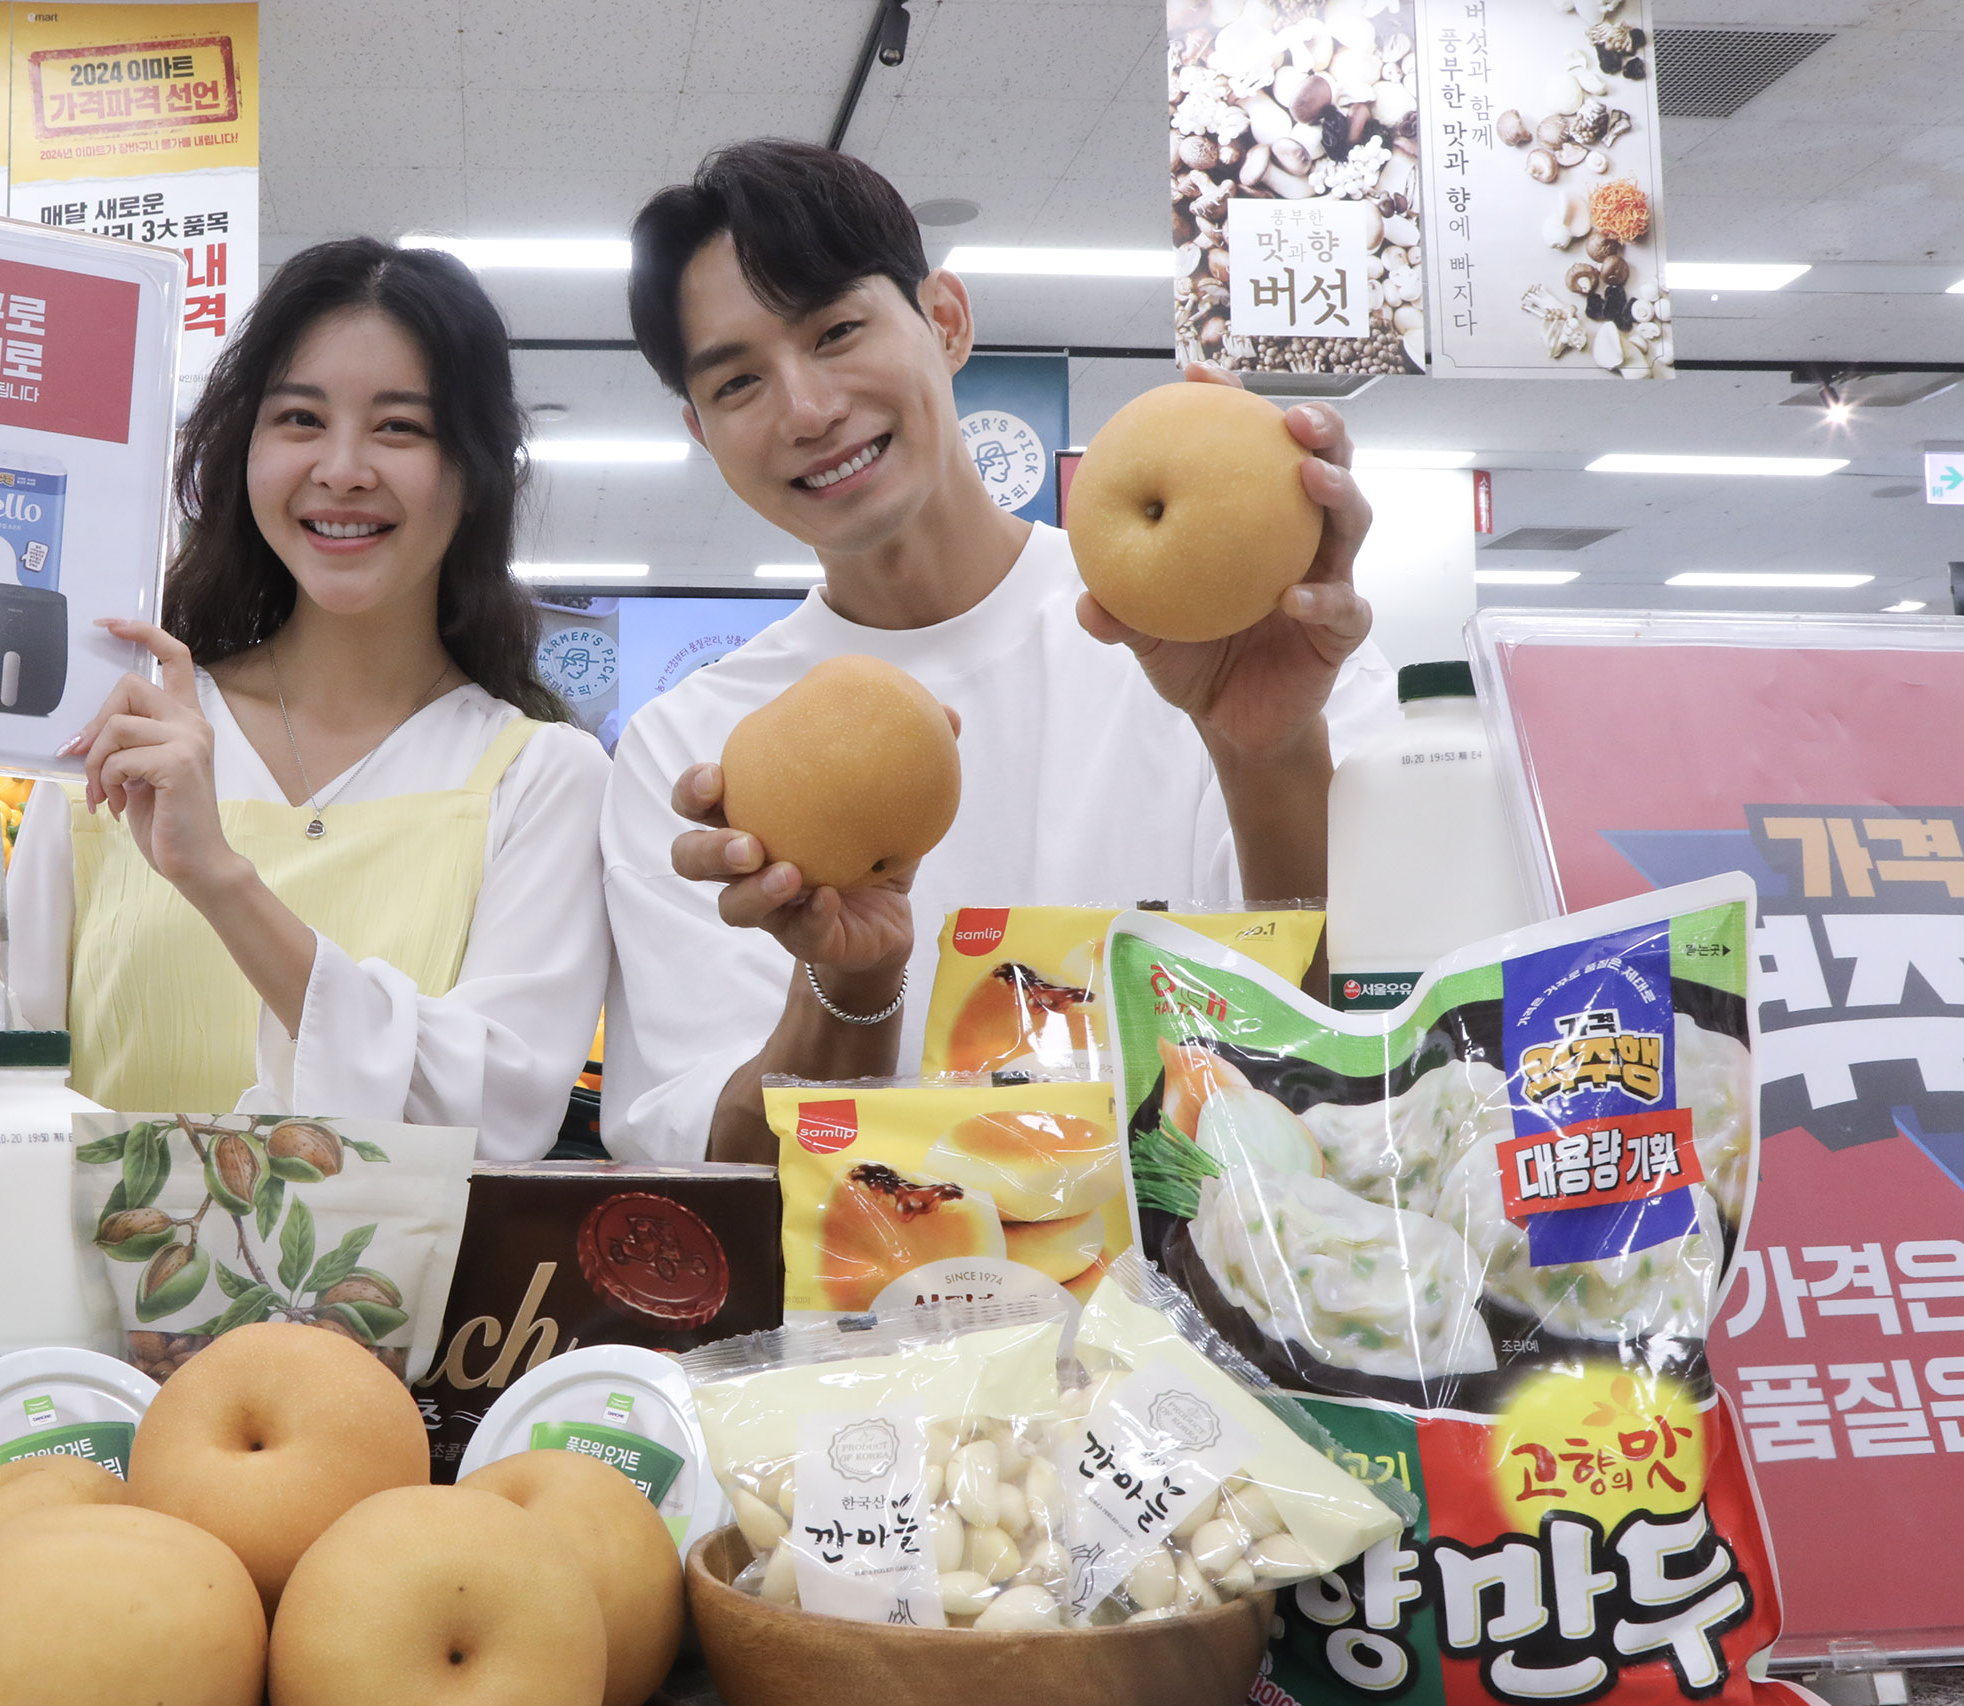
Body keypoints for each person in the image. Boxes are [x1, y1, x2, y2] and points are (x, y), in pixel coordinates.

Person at [599, 140, 1399, 1164]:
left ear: (945, 320)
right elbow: (711, 1167)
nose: (808, 410)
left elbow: (1383, 1059)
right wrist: (850, 983)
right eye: (739, 382)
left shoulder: (1221, 627)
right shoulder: (692, 753)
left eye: (837, 331)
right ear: (701, 433)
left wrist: (1269, 755)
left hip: (1220, 1260)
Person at [8, 237, 611, 1161]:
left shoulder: (542, 779)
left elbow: (493, 1124)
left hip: (407, 1268)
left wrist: (221, 878)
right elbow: (3, 1082)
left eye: (400, 427)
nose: (342, 468)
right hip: (84, 1261)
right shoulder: (123, 730)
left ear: (477, 470)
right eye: (300, 418)